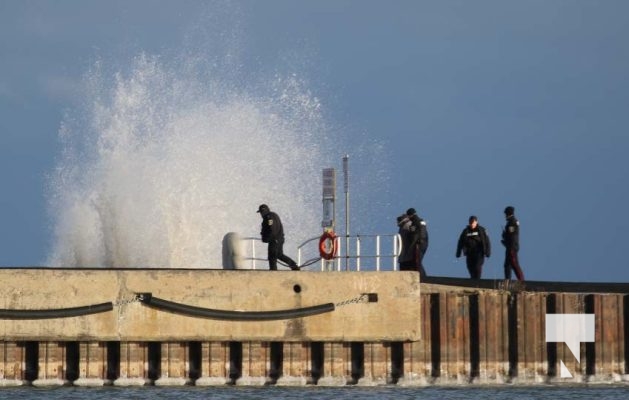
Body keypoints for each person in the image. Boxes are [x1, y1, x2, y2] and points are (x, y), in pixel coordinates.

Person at [257, 204, 299, 271]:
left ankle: (273, 271)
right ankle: (294, 266)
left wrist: (267, 238)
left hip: (274, 240)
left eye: (261, 212)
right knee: (279, 255)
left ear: (263, 211)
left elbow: (272, 229)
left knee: (272, 256)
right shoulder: (273, 215)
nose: (261, 214)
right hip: (279, 239)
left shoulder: (269, 217)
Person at [501, 206, 525, 281]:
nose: (505, 215)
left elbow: (512, 236)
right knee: (507, 265)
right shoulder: (512, 221)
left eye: (505, 214)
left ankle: (522, 281)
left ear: (508, 213)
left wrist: (505, 236)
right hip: (510, 247)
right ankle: (507, 281)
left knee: (514, 264)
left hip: (512, 247)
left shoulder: (512, 222)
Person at [406, 208, 428, 278]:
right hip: (425, 243)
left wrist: (411, 247)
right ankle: (423, 276)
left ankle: (422, 277)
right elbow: (424, 233)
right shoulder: (422, 221)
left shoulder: (414, 222)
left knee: (417, 261)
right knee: (418, 261)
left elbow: (414, 236)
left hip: (418, 244)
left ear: (410, 215)